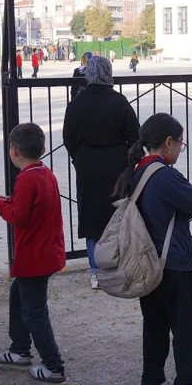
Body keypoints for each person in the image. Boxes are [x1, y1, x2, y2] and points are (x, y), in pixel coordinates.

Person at [115, 114, 192, 385]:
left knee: (155, 324)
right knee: (184, 328)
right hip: (173, 262)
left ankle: (152, 384)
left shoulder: (137, 171)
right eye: (180, 143)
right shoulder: (164, 174)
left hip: (147, 263)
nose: (179, 149)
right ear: (170, 142)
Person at [0, 123, 68, 383]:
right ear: (43, 149)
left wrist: (0, 206)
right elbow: (30, 206)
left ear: (13, 151)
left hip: (35, 255)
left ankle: (53, 365)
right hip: (46, 250)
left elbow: (20, 216)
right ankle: (19, 348)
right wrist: (6, 201)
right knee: (18, 295)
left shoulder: (27, 178)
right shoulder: (45, 173)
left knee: (34, 310)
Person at [63, 55, 140, 289]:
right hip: (117, 166)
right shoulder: (119, 102)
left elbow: (69, 139)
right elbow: (135, 137)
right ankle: (120, 265)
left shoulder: (76, 103)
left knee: (91, 218)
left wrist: (80, 159)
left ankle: (96, 271)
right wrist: (130, 161)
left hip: (88, 166)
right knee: (118, 215)